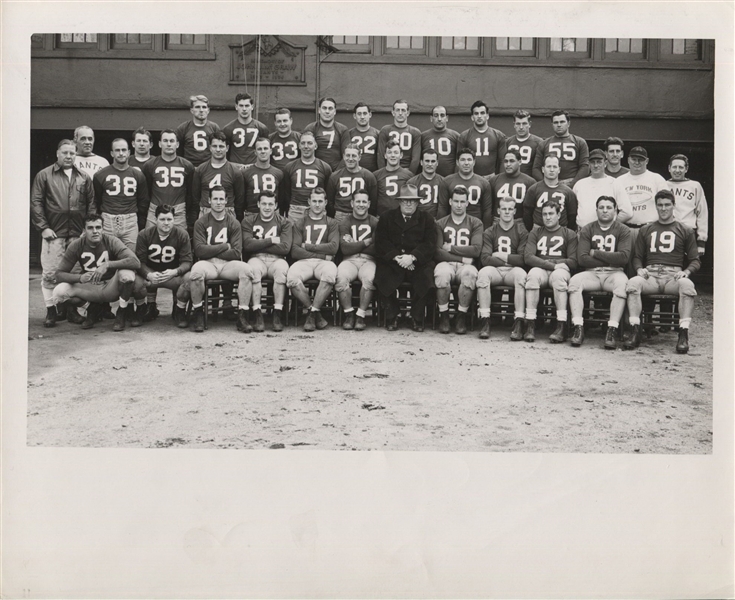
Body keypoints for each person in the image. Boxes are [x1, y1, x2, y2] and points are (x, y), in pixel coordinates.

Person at [623, 189, 700, 354]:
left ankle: (683, 333)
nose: (663, 208)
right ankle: (635, 330)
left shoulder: (685, 230)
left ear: (673, 206)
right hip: (651, 275)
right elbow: (637, 256)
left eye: (667, 205)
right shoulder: (647, 229)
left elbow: (695, 260)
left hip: (673, 276)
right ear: (656, 207)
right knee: (633, 284)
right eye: (660, 205)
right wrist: (639, 269)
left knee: (687, 285)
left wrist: (686, 272)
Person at [31, 138, 94, 327]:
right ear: (57, 153)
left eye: (72, 153)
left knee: (73, 274)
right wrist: (43, 227)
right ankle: (51, 310)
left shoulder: (84, 177)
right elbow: (36, 203)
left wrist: (86, 229)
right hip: (54, 233)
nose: (69, 156)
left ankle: (70, 311)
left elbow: (91, 205)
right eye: (65, 152)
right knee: (50, 273)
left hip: (77, 234)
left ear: (76, 154)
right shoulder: (44, 175)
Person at [51, 213, 141, 332]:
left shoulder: (111, 241)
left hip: (110, 285)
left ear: (103, 229)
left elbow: (135, 262)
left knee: (127, 275)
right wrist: (80, 278)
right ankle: (91, 308)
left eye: (98, 227)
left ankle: (121, 312)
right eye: (90, 228)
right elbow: (59, 275)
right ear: (84, 230)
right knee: (59, 292)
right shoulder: (76, 245)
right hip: (90, 286)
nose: (95, 231)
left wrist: (108, 264)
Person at [567, 196, 632, 349]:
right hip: (592, 273)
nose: (605, 210)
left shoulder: (623, 230)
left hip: (614, 273)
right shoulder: (588, 229)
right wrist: (611, 258)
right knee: (575, 282)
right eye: (601, 207)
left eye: (609, 207)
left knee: (622, 285)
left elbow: (623, 258)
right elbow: (582, 259)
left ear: (615, 210)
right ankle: (578, 327)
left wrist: (595, 253)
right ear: (596, 210)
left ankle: (612, 328)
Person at [188, 186, 254, 333]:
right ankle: (198, 312)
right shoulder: (201, 222)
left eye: (221, 199)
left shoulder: (233, 222)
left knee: (247, 271)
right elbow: (199, 250)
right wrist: (225, 246)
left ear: (226, 201)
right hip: (208, 264)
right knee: (196, 272)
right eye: (215, 199)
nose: (218, 202)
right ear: (209, 201)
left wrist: (210, 249)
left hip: (227, 265)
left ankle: (242, 315)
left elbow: (236, 253)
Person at [374, 184, 437, 332]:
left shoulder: (426, 219)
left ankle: (416, 316)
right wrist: (397, 257)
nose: (408, 204)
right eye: (405, 201)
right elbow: (381, 242)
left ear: (417, 202)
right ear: (399, 202)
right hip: (394, 260)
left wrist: (413, 257)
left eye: (412, 201)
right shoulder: (387, 217)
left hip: (416, 262)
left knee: (427, 277)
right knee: (382, 276)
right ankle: (392, 315)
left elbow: (430, 243)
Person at [522, 200, 578, 343]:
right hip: (544, 269)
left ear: (559, 215)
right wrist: (553, 265)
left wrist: (556, 266)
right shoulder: (536, 232)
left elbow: (573, 261)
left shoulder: (569, 234)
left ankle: (561, 325)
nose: (547, 217)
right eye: (545, 214)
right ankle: (530, 323)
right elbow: (528, 257)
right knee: (533, 275)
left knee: (559, 276)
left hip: (559, 271)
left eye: (551, 214)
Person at [475, 196, 529, 340]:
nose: (506, 212)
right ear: (498, 210)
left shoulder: (522, 232)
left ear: (514, 211)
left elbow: (523, 259)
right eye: (503, 209)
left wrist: (501, 256)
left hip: (512, 271)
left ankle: (518, 322)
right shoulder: (489, 231)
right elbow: (485, 259)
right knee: (483, 274)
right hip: (496, 270)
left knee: (522, 276)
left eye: (510, 209)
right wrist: (509, 261)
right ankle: (485, 320)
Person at [286, 188, 340, 331]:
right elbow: (295, 250)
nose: (317, 204)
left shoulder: (332, 223)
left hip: (325, 263)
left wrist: (308, 246)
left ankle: (312, 314)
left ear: (325, 203)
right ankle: (314, 311)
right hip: (305, 262)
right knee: (291, 278)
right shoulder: (300, 222)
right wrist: (321, 254)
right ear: (309, 202)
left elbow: (333, 248)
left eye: (320, 201)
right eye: (314, 201)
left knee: (329, 275)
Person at [434, 186, 484, 334]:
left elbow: (475, 250)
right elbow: (437, 252)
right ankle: (444, 315)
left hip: (465, 266)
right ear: (450, 201)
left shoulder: (476, 223)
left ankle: (461, 316)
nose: (459, 205)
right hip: (447, 263)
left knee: (470, 275)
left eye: (462, 201)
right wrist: (462, 257)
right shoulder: (440, 223)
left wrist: (450, 248)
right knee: (441, 274)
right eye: (456, 201)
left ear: (467, 203)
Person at [133, 204, 193, 327]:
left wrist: (175, 271)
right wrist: (148, 274)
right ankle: (144, 307)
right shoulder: (144, 234)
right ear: (155, 220)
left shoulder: (182, 234)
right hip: (151, 274)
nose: (166, 223)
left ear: (174, 220)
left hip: (172, 275)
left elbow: (187, 261)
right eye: (162, 219)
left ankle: (179, 309)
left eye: (169, 219)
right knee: (134, 280)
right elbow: (139, 262)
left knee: (189, 278)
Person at [241, 191, 293, 332]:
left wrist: (258, 243)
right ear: (258, 204)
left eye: (271, 204)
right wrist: (271, 241)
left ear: (276, 205)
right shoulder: (248, 221)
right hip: (256, 258)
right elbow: (247, 245)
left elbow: (285, 249)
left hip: (277, 259)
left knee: (282, 271)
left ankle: (277, 313)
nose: (267, 207)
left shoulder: (285, 222)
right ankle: (258, 313)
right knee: (253, 271)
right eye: (264, 203)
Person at [93, 138, 149, 252]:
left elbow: (143, 201)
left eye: (124, 150)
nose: (121, 153)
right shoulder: (100, 175)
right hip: (108, 220)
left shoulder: (138, 175)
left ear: (129, 152)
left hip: (130, 220)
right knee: (105, 256)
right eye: (117, 150)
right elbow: (97, 200)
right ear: (112, 153)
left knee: (131, 257)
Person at [335, 190, 380, 330]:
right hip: (349, 260)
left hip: (369, 260)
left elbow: (377, 249)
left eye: (364, 202)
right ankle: (349, 314)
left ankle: (361, 315)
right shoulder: (344, 222)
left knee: (370, 278)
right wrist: (367, 242)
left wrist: (354, 243)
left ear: (369, 204)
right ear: (352, 203)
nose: (361, 205)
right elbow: (345, 249)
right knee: (341, 277)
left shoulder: (375, 222)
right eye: (358, 201)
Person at [141, 129, 195, 229]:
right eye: (165, 141)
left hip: (178, 211)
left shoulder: (187, 165)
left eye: (172, 141)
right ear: (160, 144)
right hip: (154, 211)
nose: (169, 144)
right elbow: (146, 192)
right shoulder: (149, 165)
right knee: (151, 241)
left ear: (177, 144)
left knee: (178, 242)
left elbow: (190, 193)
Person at [191, 131, 245, 221]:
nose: (218, 149)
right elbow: (195, 197)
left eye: (221, 146)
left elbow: (239, 199)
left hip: (228, 211)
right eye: (215, 146)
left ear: (227, 148)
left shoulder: (235, 171)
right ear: (210, 148)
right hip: (206, 210)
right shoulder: (201, 169)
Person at [281, 131, 333, 222]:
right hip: (296, 210)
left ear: (315, 146)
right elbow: (286, 194)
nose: (306, 146)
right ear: (299, 146)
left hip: (317, 209)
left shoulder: (325, 167)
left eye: (309, 143)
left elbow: (328, 194)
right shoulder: (289, 167)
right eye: (303, 143)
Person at [573, 149, 632, 227]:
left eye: (599, 162)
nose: (596, 165)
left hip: (606, 233)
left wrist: (611, 226)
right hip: (583, 232)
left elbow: (627, 212)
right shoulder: (579, 184)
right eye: (593, 162)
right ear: (589, 164)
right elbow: (572, 211)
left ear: (605, 163)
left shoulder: (614, 183)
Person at [613, 146, 668, 229]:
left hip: (651, 227)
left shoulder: (657, 178)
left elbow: (667, 204)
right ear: (628, 160)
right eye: (634, 159)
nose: (637, 162)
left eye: (640, 160)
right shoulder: (619, 180)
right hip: (626, 228)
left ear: (647, 161)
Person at [532, 110, 589, 186]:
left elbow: (585, 166)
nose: (559, 125)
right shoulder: (544, 143)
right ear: (552, 124)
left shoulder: (580, 142)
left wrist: (573, 184)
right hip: (549, 184)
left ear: (568, 123)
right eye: (556, 122)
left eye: (562, 122)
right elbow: (536, 168)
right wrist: (547, 184)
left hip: (572, 183)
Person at [667, 154, 709, 258]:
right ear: (669, 168)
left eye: (681, 167)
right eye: (674, 167)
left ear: (686, 169)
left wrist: (701, 241)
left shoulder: (695, 185)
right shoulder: (663, 185)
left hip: (688, 232)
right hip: (667, 231)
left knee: (689, 266)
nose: (677, 170)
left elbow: (702, 213)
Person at [523, 154, 578, 232]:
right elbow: (527, 214)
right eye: (548, 166)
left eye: (555, 167)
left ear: (559, 169)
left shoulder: (568, 192)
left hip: (561, 231)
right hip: (538, 230)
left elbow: (572, 216)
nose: (552, 170)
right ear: (543, 169)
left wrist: (566, 233)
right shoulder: (533, 189)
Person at [441, 148, 495, 227]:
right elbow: (443, 208)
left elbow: (487, 210)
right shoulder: (447, 181)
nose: (466, 163)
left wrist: (484, 230)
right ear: (457, 162)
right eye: (463, 160)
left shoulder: (484, 183)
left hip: (476, 226)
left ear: (474, 162)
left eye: (469, 160)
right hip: (452, 225)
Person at [326, 144, 378, 220]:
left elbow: (373, 202)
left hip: (362, 214)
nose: (350, 159)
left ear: (359, 157)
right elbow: (330, 202)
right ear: (343, 156)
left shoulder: (368, 176)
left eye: (353, 156)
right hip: (340, 215)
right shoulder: (335, 176)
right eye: (347, 155)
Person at [457, 100, 507, 177]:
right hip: (471, 178)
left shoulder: (499, 135)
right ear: (472, 117)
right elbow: (459, 161)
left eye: (482, 113)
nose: (479, 116)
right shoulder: (464, 136)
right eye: (476, 113)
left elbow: (503, 160)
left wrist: (499, 179)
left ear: (487, 116)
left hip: (491, 177)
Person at [222, 92, 270, 167]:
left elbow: (266, 152)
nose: (244, 109)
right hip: (235, 168)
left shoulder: (261, 128)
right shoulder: (228, 129)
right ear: (236, 107)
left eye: (247, 105)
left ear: (252, 107)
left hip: (254, 168)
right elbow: (225, 152)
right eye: (241, 106)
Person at [488, 149, 536, 222]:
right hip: (498, 221)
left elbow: (531, 209)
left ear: (519, 162)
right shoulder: (494, 180)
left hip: (520, 221)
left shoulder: (530, 182)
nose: (508, 164)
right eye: (506, 161)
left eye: (512, 161)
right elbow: (489, 206)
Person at [241, 137, 284, 216]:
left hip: (273, 215)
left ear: (270, 151)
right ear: (255, 152)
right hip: (252, 214)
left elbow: (281, 198)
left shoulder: (278, 173)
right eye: (259, 149)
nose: (263, 151)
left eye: (265, 148)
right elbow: (241, 199)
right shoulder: (245, 173)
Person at [175, 94, 221, 167]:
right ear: (192, 110)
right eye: (197, 107)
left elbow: (219, 149)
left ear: (208, 110)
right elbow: (178, 151)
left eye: (204, 107)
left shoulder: (214, 127)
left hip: (209, 168)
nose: (201, 110)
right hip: (190, 168)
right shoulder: (183, 128)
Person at [303, 97, 349, 170]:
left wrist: (336, 174)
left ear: (335, 111)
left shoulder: (342, 130)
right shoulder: (311, 128)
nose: (327, 111)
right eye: (324, 108)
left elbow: (347, 155)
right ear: (319, 110)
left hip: (336, 172)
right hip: (316, 171)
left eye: (330, 108)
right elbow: (305, 152)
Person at [377, 99, 422, 174]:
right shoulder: (385, 130)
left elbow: (415, 159)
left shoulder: (415, 132)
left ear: (408, 113)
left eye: (403, 110)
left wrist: (409, 175)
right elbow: (381, 156)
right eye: (397, 110)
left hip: (407, 171)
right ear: (393, 112)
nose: (400, 113)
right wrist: (384, 174)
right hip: (389, 171)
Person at [373, 140, 414, 216]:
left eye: (396, 152)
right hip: (381, 217)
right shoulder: (376, 175)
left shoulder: (409, 175)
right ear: (385, 155)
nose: (392, 155)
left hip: (401, 217)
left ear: (401, 155)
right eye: (389, 152)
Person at [407, 149, 450, 218]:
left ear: (437, 163)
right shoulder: (412, 182)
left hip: (438, 221)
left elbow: (444, 207)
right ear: (421, 162)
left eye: (433, 161)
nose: (430, 164)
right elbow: (409, 207)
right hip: (418, 221)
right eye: (427, 161)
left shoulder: (444, 182)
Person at [420, 105, 460, 177]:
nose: (439, 119)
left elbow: (459, 160)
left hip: (449, 179)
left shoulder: (456, 136)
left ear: (446, 118)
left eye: (442, 115)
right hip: (429, 179)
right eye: (436, 115)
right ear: (431, 118)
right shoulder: (423, 136)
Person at [505, 110, 542, 178]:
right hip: (511, 180)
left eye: (524, 123)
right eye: (518, 124)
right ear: (514, 124)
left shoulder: (538, 142)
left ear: (529, 124)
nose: (521, 127)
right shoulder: (508, 142)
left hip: (530, 181)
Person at [344, 102, 380, 172]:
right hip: (353, 173)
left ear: (370, 115)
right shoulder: (348, 134)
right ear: (354, 116)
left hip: (373, 173)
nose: (362, 117)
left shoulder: (378, 134)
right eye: (359, 114)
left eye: (365, 113)